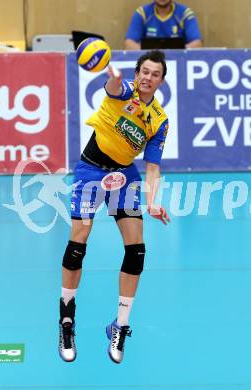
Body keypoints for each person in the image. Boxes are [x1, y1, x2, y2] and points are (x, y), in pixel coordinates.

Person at [58, 50, 170, 364]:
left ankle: (119, 325)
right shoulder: (122, 91)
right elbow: (113, 87)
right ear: (137, 74)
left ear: (161, 81)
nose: (148, 77)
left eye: (155, 74)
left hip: (124, 176)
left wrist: (152, 202)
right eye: (144, 72)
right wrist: (113, 75)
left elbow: (152, 167)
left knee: (137, 250)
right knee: (78, 241)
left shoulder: (159, 120)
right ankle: (67, 320)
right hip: (91, 169)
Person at [125, 0, 202, 50]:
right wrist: (152, 56)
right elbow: (129, 43)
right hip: (150, 63)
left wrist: (175, 54)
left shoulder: (185, 13)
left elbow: (197, 44)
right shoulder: (142, 13)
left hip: (179, 61)